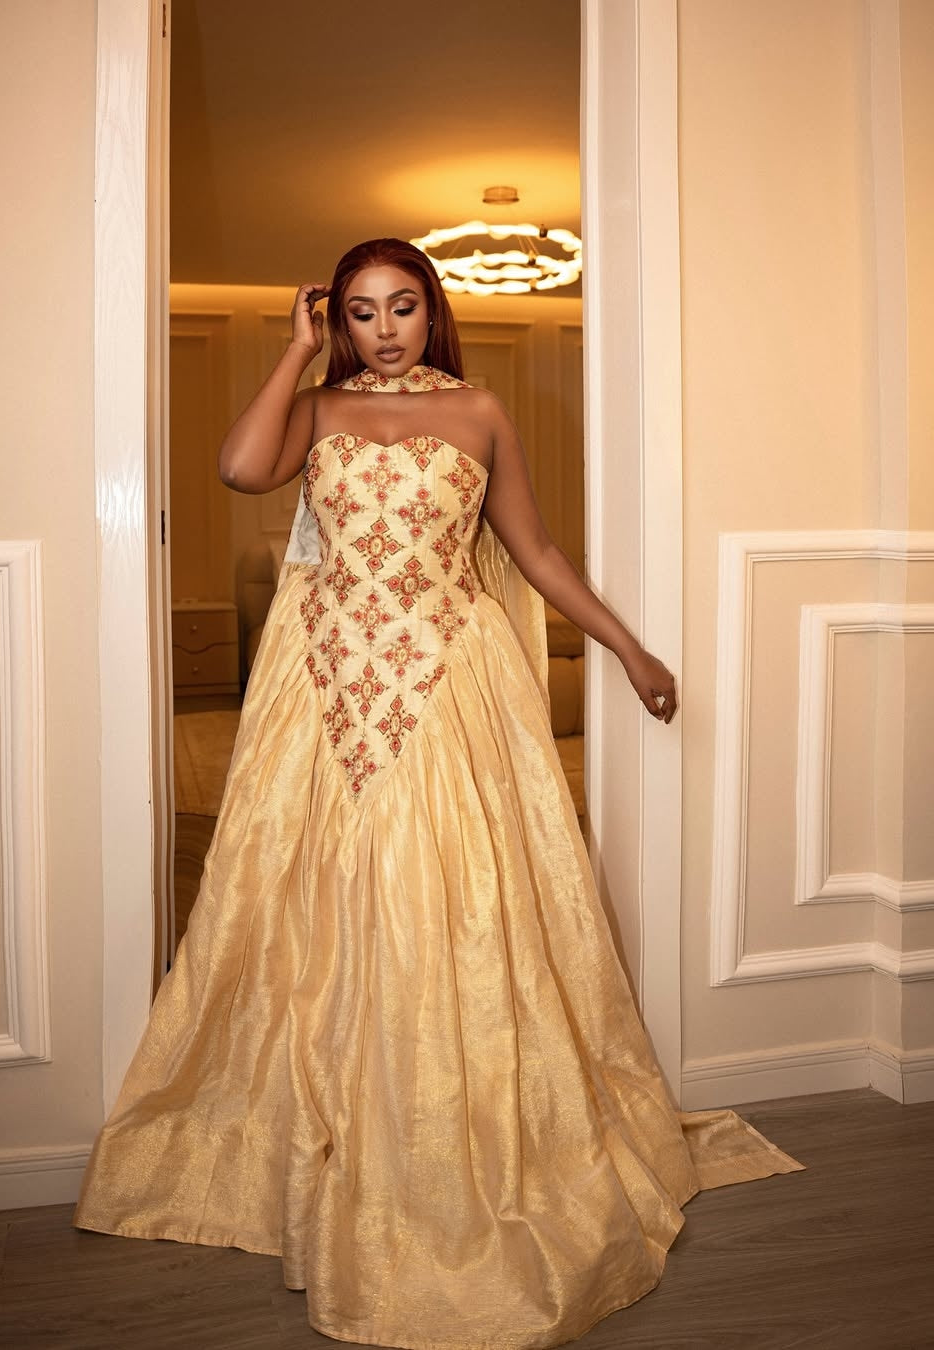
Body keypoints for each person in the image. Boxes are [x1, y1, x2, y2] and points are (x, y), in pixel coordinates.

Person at [74, 238, 804, 1348]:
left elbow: (539, 552)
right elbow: (236, 469)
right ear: (339, 321)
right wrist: (294, 355)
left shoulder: (478, 411)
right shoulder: (316, 411)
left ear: (433, 311)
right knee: (314, 906)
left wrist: (630, 652)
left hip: (449, 682)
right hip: (321, 689)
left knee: (449, 904)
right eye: (360, 312)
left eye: (401, 307)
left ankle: (443, 1147)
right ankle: (318, 1137)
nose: (383, 329)